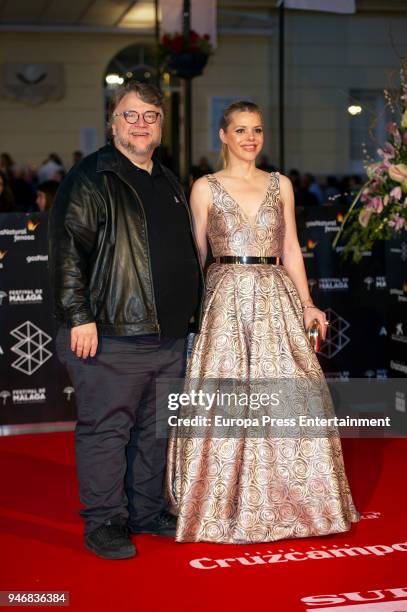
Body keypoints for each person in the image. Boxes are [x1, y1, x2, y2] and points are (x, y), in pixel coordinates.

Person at [166, 100, 359, 543]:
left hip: (275, 295)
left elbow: (291, 246)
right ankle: (218, 506)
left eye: (256, 130)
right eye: (240, 130)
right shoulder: (204, 188)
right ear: (223, 135)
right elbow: (196, 255)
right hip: (225, 296)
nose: (250, 138)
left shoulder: (281, 184)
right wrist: (186, 310)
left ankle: (301, 503)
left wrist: (308, 302)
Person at [49, 81, 203, 560]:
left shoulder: (167, 179)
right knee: (107, 430)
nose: (140, 123)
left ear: (160, 124)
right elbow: (67, 249)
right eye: (130, 115)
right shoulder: (92, 176)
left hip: (170, 335)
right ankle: (105, 522)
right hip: (112, 332)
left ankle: (146, 510)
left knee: (155, 430)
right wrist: (79, 315)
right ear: (113, 122)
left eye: (150, 116)